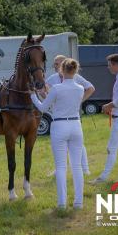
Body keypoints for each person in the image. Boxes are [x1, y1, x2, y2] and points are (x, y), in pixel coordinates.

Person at [31, 58, 85, 209]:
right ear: (75, 70)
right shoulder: (80, 88)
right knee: (77, 166)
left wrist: (33, 96)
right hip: (75, 125)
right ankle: (78, 202)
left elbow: (42, 108)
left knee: (61, 167)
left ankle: (62, 203)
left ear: (62, 70)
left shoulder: (56, 88)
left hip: (60, 125)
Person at [45, 55, 95, 177]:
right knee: (59, 146)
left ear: (64, 64)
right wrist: (44, 94)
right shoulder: (52, 79)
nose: (55, 66)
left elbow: (91, 88)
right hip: (58, 117)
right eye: (54, 64)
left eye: (57, 64)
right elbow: (47, 95)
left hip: (73, 117)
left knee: (78, 144)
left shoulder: (76, 77)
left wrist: (79, 101)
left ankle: (85, 169)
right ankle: (59, 169)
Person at [90, 54, 118, 185]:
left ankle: (103, 178)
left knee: (111, 147)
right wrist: (112, 107)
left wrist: (109, 105)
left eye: (110, 65)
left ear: (116, 65)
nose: (108, 67)